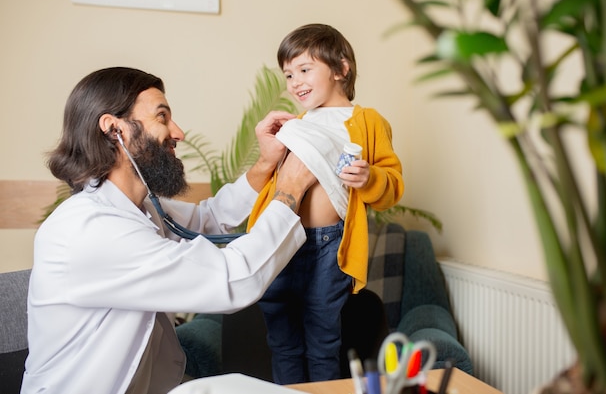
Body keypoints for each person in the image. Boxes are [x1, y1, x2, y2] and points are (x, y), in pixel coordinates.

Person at [20, 67, 316, 394]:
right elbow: (233, 279)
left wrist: (265, 164)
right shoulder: (90, 229)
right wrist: (289, 191)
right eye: (162, 117)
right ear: (113, 128)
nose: (178, 132)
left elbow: (209, 219)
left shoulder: (137, 209)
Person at [246, 24, 404, 384]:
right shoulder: (294, 127)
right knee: (282, 340)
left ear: (340, 69)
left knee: (323, 340)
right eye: (288, 74)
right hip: (281, 241)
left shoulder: (367, 122)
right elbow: (270, 185)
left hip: (331, 246)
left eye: (304, 69)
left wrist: (370, 179)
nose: (294, 82)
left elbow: (392, 186)